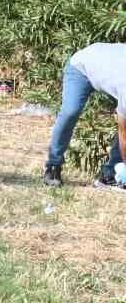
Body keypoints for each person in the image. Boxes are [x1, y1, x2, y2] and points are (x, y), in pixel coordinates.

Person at [41, 42, 126, 191]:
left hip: (105, 68)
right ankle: (53, 165)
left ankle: (109, 175)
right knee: (70, 112)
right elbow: (124, 133)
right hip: (81, 67)